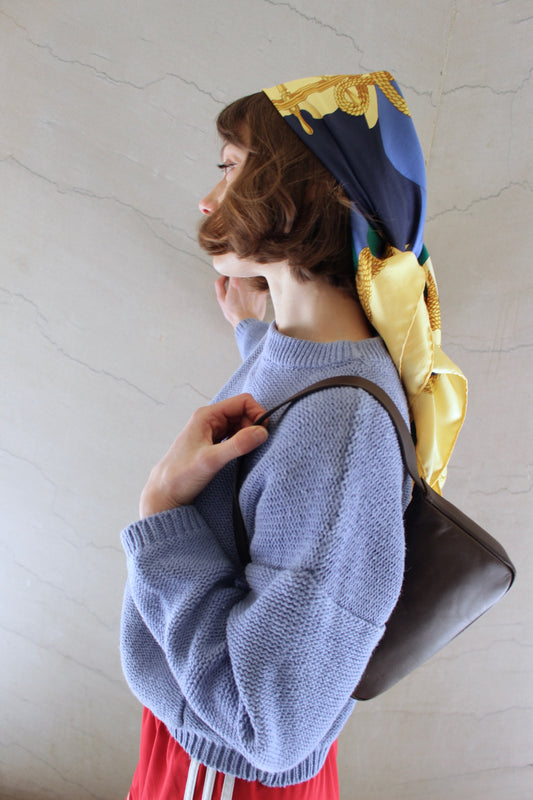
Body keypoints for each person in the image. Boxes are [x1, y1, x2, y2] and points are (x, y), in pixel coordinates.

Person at [120, 73, 467, 800]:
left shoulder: (338, 436)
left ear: (307, 191)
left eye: (230, 167)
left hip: (225, 768)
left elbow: (268, 723)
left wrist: (162, 514)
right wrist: (258, 331)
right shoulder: (315, 354)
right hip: (201, 736)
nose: (208, 198)